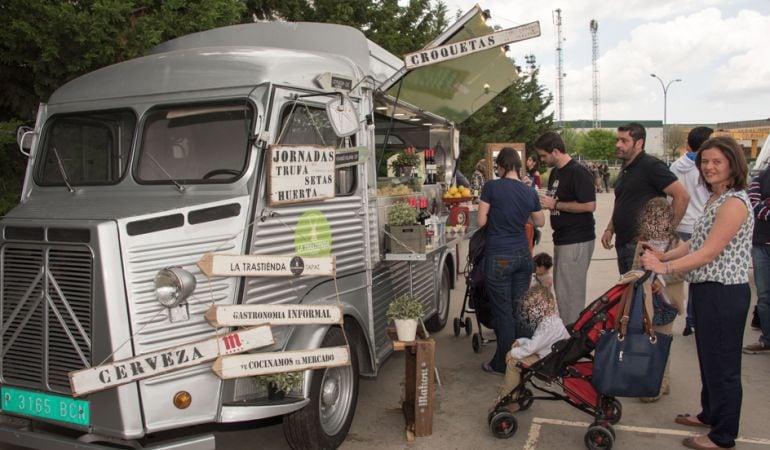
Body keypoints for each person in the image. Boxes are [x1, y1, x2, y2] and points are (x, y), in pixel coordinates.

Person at [641, 136, 752, 450]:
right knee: (709, 359)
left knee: (724, 366)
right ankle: (709, 414)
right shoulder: (717, 198)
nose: (709, 167)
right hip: (706, 290)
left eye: (717, 161)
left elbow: (709, 252)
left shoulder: (733, 202)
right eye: (705, 162)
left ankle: (723, 435)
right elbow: (696, 244)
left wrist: (664, 270)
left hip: (724, 294)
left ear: (733, 164)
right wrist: (665, 256)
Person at [477, 147, 545, 375]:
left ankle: (503, 363)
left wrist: (498, 217)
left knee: (503, 312)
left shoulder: (491, 187)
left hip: (500, 256)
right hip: (523, 257)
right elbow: (540, 221)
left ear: (502, 166)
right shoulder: (529, 191)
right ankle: (522, 358)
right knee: (519, 310)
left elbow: (480, 221)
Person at [601, 122, 690, 275]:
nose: (618, 144)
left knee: (643, 297)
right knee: (628, 295)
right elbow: (622, 201)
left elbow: (682, 196)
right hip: (623, 244)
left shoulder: (651, 166)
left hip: (641, 247)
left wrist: (664, 235)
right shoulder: (626, 168)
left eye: (624, 141)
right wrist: (610, 228)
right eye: (618, 140)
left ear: (639, 143)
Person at [535, 131, 597, 324]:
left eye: (544, 156)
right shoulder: (556, 173)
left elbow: (589, 205)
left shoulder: (578, 172)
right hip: (563, 239)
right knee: (563, 292)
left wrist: (556, 205)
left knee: (571, 295)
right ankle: (568, 336)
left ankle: (572, 341)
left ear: (555, 151)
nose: (542, 160)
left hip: (576, 239)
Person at [631, 197, 685, 403]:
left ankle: (660, 384)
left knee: (662, 342)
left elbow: (682, 271)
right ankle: (649, 379)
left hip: (667, 301)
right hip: (646, 303)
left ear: (670, 221)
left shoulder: (677, 244)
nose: (655, 222)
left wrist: (661, 279)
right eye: (651, 218)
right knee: (647, 342)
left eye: (661, 218)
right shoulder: (643, 243)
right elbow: (636, 267)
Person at [491, 285, 569, 409]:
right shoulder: (551, 320)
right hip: (549, 356)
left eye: (538, 304)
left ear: (550, 303)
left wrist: (513, 352)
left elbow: (533, 346)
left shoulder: (549, 326)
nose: (535, 309)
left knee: (513, 362)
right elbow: (538, 342)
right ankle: (512, 388)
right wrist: (522, 341)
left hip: (549, 362)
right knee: (518, 359)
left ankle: (509, 398)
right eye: (532, 306)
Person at [669, 126, 713, 336]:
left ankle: (682, 315)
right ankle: (692, 320)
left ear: (688, 144)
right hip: (701, 226)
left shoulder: (676, 166)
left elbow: (670, 197)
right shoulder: (709, 167)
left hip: (681, 224)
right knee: (699, 276)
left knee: (681, 276)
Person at [743, 166, 770, 354]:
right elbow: (753, 202)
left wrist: (764, 207)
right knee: (764, 297)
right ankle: (766, 339)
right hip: (761, 244)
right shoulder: (763, 175)